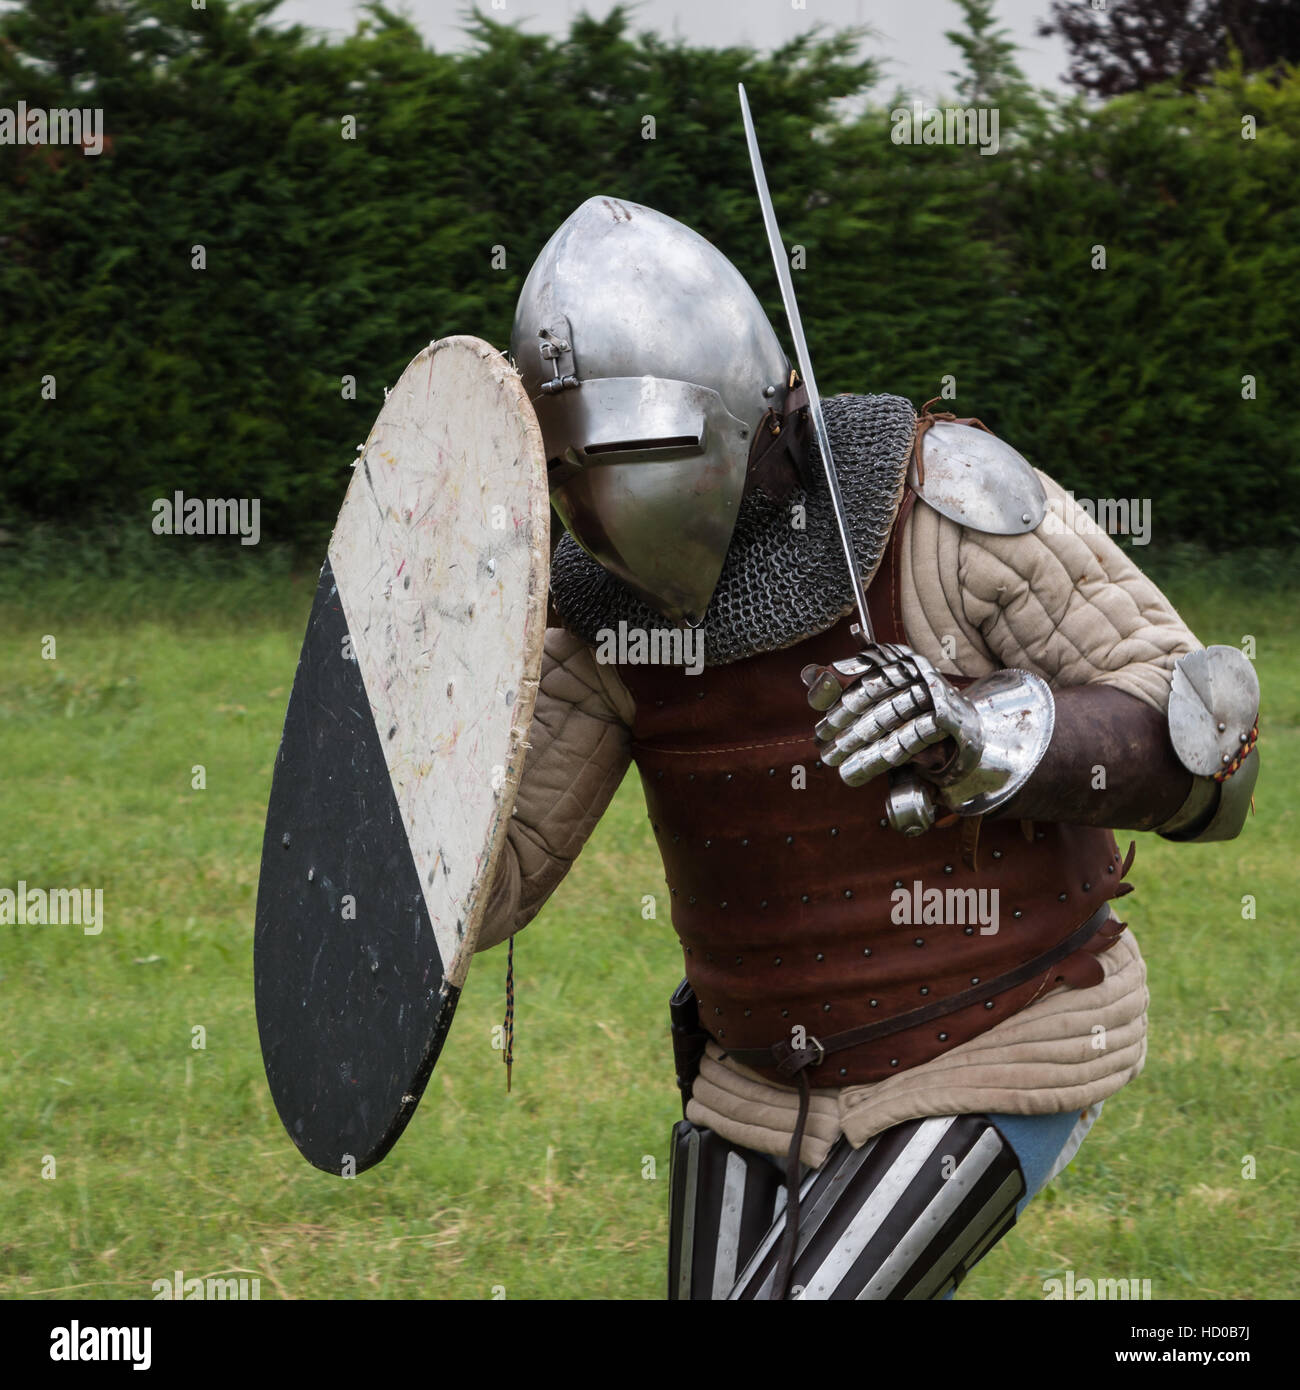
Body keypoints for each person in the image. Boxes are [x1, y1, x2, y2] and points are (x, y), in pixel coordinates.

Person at [478, 196, 1260, 1301]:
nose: (611, 500)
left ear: (750, 406)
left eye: (644, 449)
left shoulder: (937, 499)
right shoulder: (603, 610)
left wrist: (979, 733)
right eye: (574, 471)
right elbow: (487, 875)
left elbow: (1208, 742)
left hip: (996, 1037)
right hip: (752, 1078)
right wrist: (423, 712)